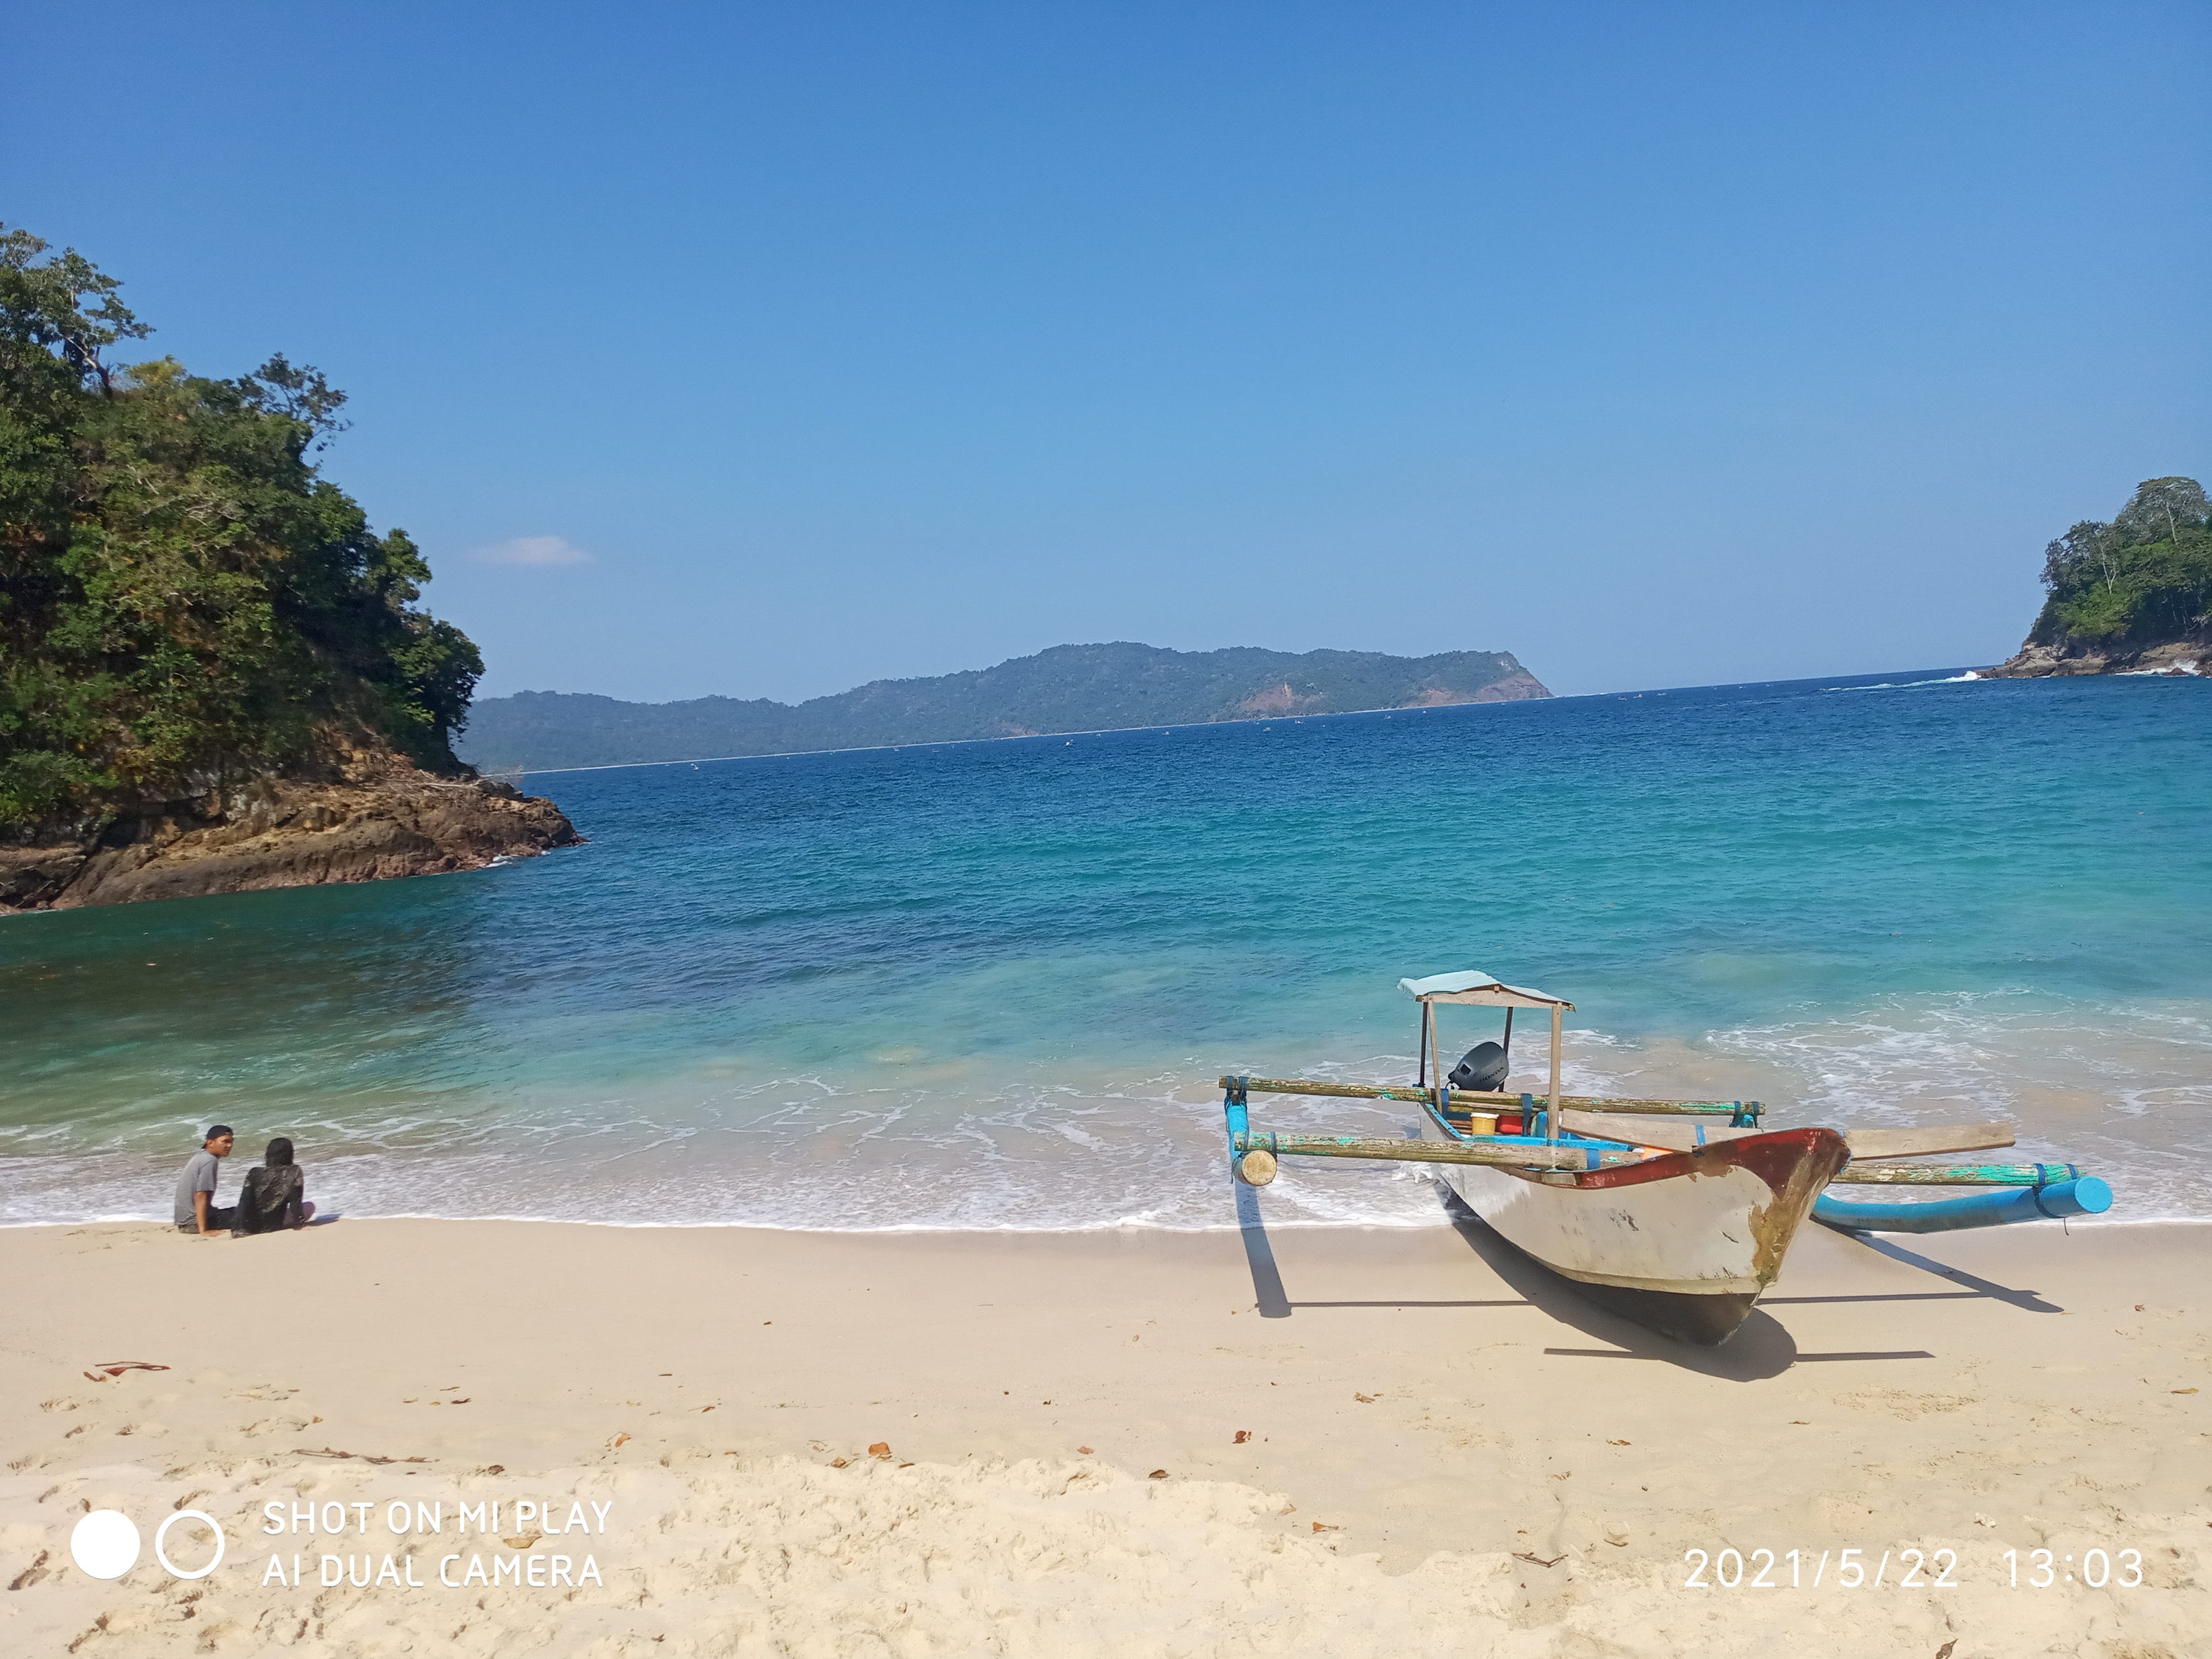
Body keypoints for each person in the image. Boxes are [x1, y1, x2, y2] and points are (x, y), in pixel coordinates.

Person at [229, 1137, 316, 1235]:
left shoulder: (254, 1172)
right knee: (310, 1206)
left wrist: (238, 1229)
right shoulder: (294, 1171)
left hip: (251, 1225)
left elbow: (244, 1203)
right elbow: (295, 1204)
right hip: (275, 1224)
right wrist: (300, 1224)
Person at [173, 1125, 236, 1235]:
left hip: (185, 1222)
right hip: (194, 1223)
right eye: (225, 1142)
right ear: (210, 1143)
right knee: (247, 1214)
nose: (229, 1145)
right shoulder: (210, 1161)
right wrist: (203, 1230)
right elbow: (201, 1195)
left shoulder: (200, 1157)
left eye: (231, 1142)